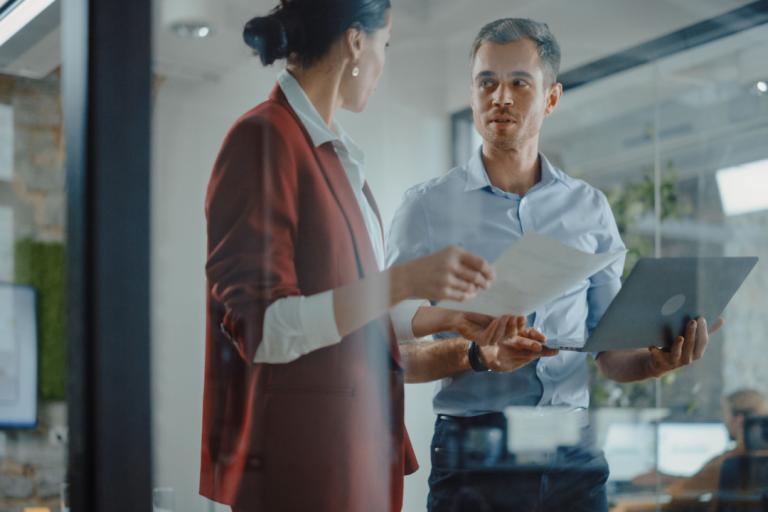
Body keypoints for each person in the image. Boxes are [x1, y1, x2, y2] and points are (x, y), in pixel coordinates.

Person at [198, 2, 549, 511]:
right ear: (356, 43)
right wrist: (404, 280)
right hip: (301, 465)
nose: (385, 62)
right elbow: (263, 327)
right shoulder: (262, 139)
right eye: (386, 45)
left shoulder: (337, 159)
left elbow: (353, 318)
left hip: (351, 456)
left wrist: (451, 318)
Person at [387, 18, 723, 512]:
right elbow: (389, 353)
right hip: (477, 451)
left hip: (573, 450)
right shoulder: (426, 208)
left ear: (551, 98)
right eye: (487, 82)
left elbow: (609, 353)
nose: (500, 97)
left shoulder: (589, 209)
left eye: (519, 82)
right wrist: (476, 354)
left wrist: (655, 361)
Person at [663, 389, 768, 510]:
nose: (724, 421)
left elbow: (679, 494)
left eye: (725, 414)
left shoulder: (728, 461)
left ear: (739, 421)